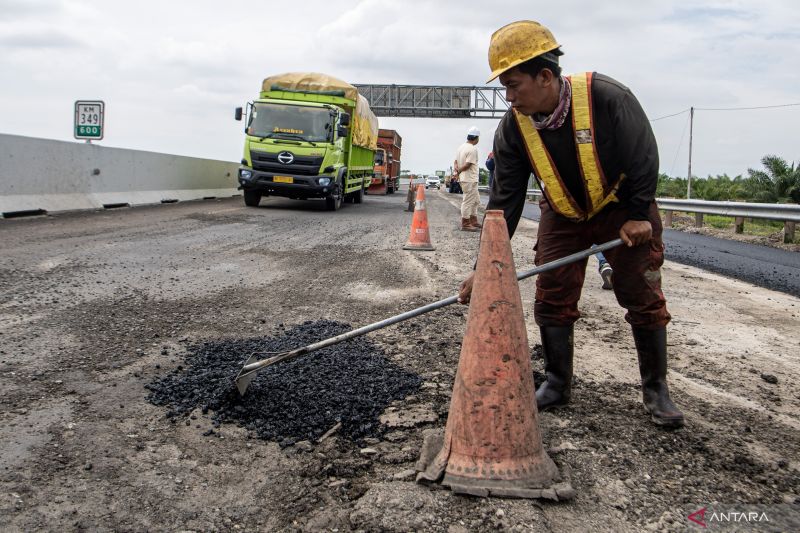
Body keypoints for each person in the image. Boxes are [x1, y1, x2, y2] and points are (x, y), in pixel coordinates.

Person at [458, 20, 683, 428]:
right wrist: (482, 269)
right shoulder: (513, 128)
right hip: (563, 214)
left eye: (514, 85)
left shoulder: (608, 98)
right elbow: (504, 201)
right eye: (504, 88)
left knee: (640, 291)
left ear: (545, 76)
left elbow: (643, 156)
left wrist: (636, 215)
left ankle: (656, 389)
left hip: (621, 209)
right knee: (553, 292)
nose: (509, 98)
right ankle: (558, 382)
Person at [453, 126, 482, 231]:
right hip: (469, 179)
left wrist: (456, 171)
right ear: (476, 138)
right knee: (468, 201)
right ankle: (465, 223)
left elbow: (455, 161)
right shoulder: (473, 149)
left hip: (466, 179)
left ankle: (473, 221)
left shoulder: (461, 147)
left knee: (476, 200)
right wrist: (458, 172)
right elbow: (468, 165)